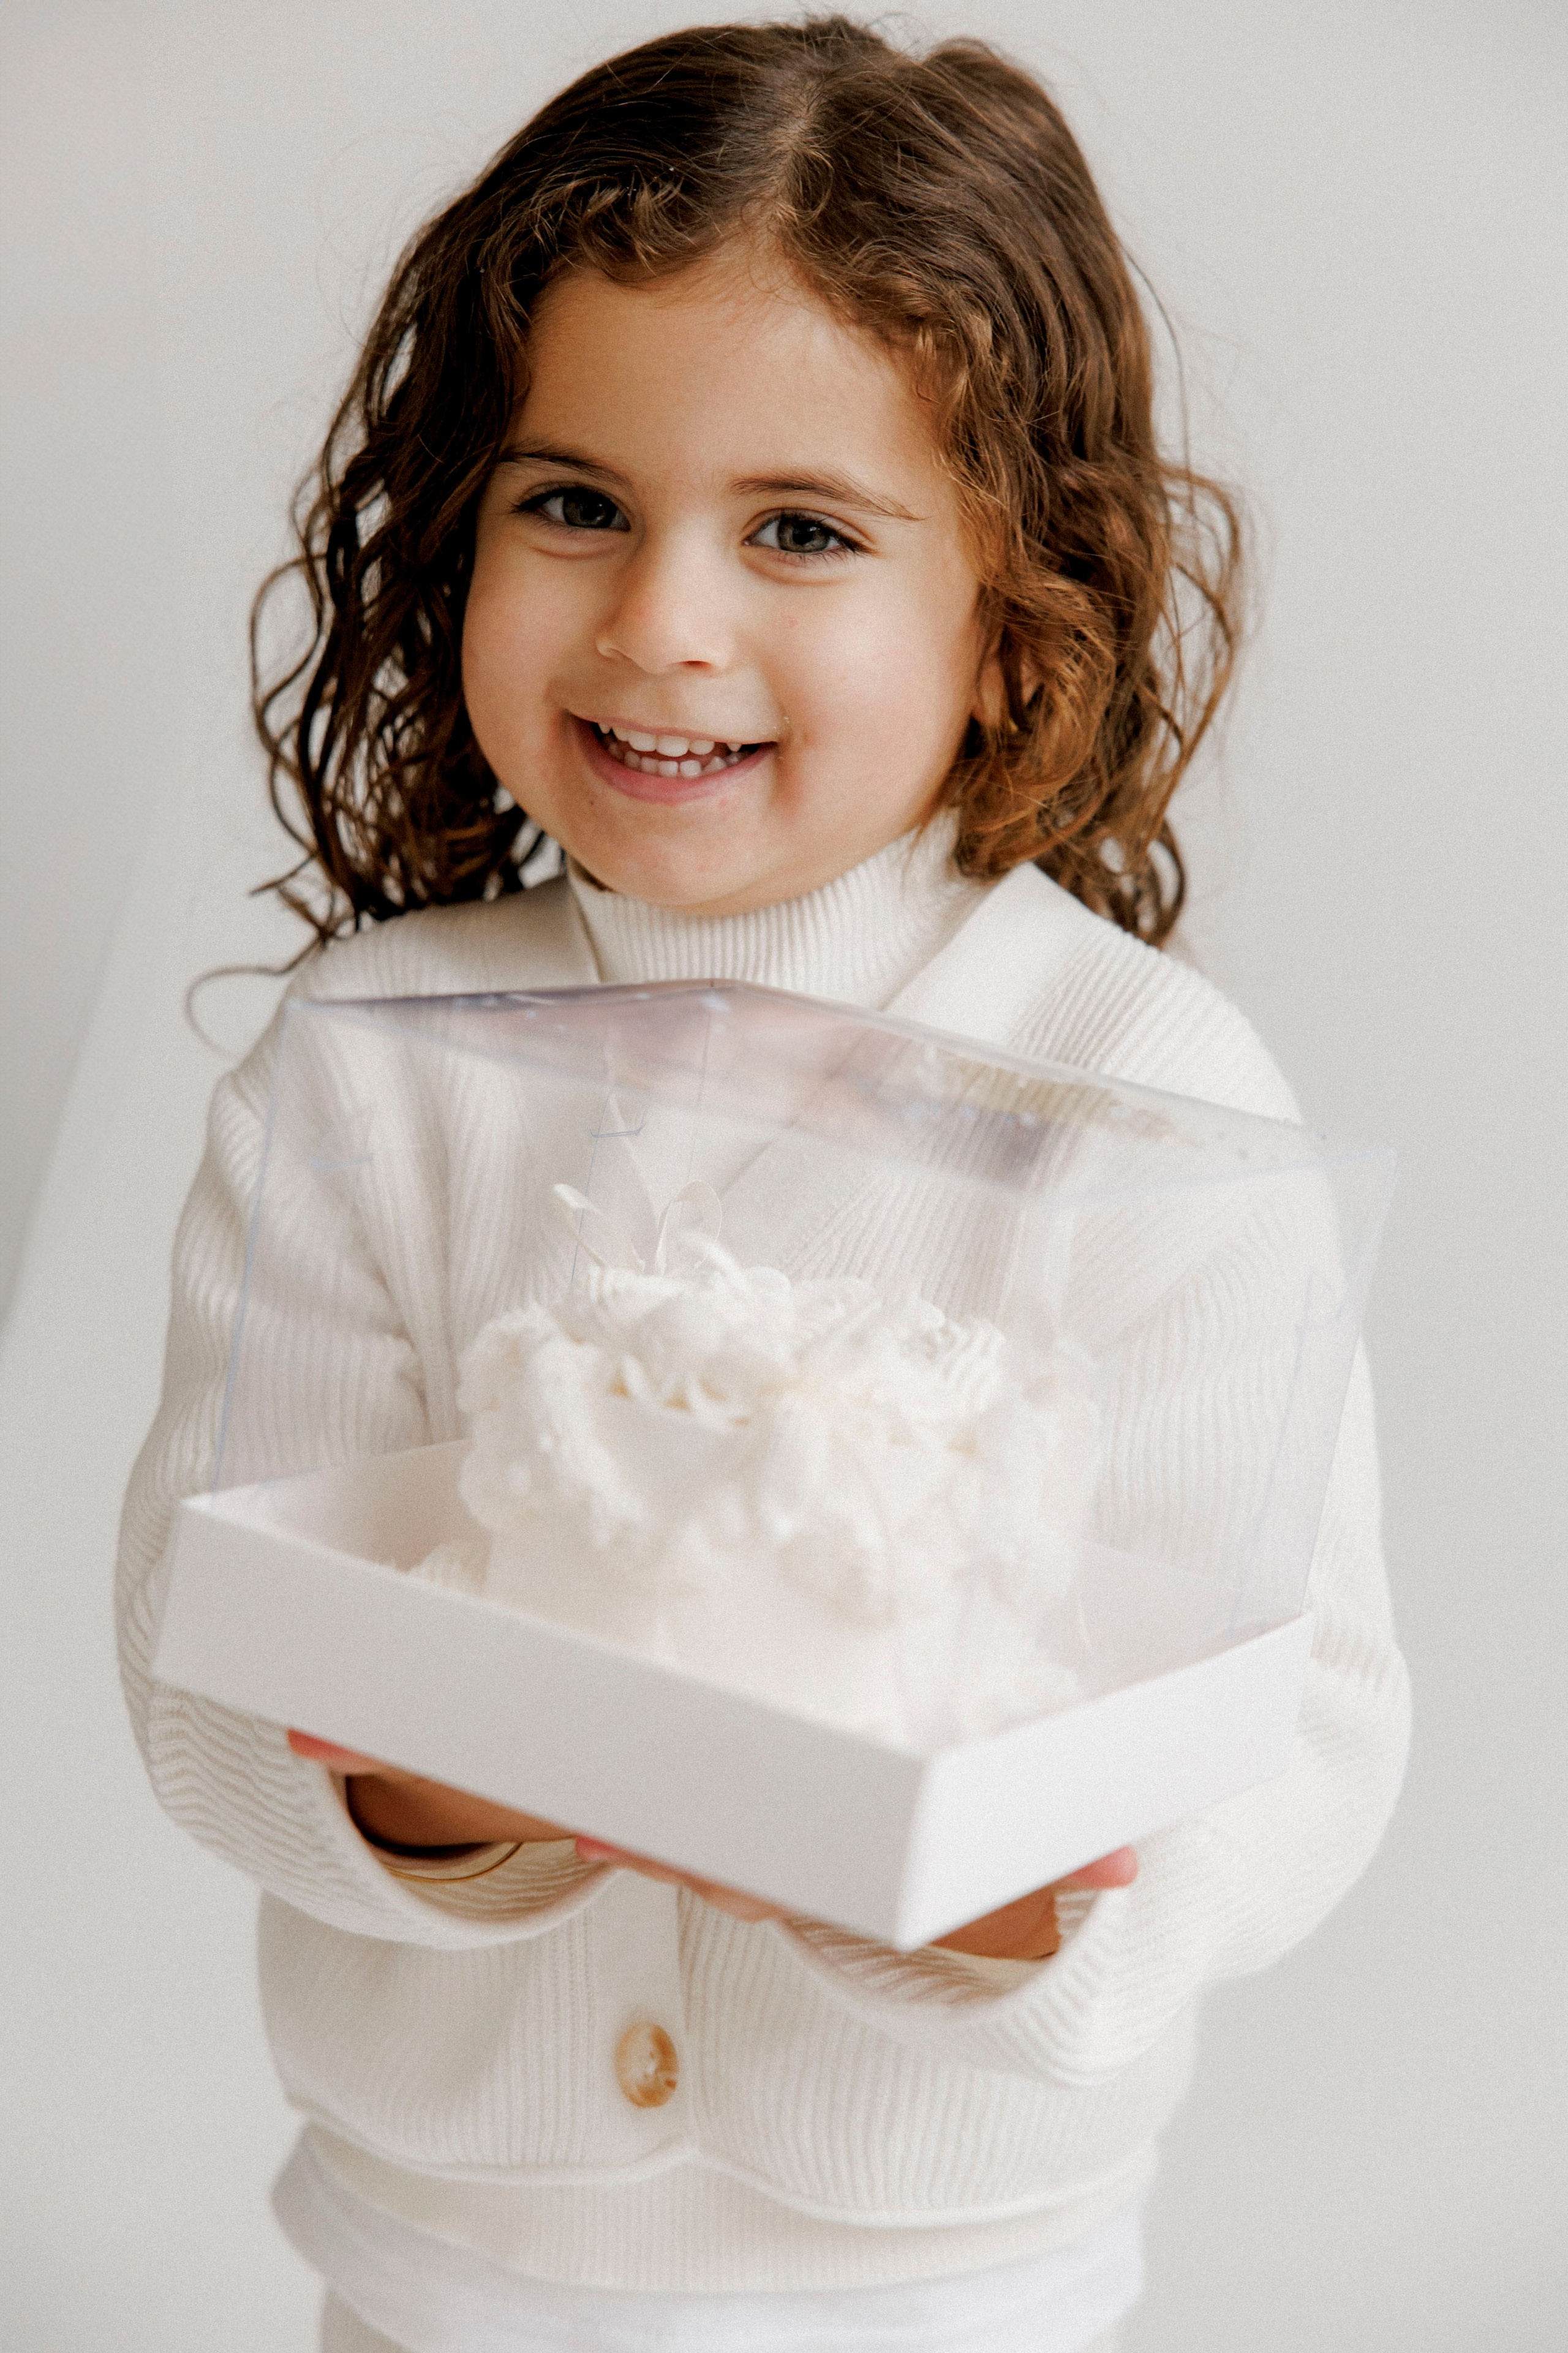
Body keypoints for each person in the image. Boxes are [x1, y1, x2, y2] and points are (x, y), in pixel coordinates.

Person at [117, 19, 1409, 2350]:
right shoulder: (377, 1061)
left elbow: (1301, 1726)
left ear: (1013, 628)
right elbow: (202, 1671)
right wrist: (488, 1769)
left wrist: (1016, 1881)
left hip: (946, 2293)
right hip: (439, 2275)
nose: (662, 622)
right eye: (574, 502)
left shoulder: (1130, 1090)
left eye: (798, 529)